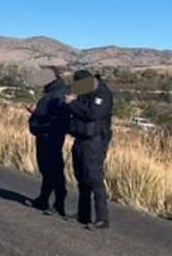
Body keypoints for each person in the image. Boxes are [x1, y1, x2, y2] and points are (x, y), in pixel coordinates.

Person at [65, 69, 114, 230]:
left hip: (95, 141)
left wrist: (72, 103)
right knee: (81, 177)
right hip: (81, 138)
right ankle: (83, 213)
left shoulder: (103, 94)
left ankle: (102, 218)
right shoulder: (85, 92)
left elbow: (93, 114)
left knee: (94, 178)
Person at [27, 67, 70, 216]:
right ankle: (43, 198)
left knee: (54, 168)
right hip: (45, 134)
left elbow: (57, 116)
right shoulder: (52, 92)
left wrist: (38, 116)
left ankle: (59, 203)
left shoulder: (58, 93)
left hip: (50, 135)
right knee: (46, 168)